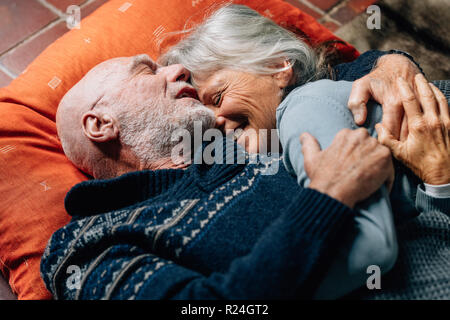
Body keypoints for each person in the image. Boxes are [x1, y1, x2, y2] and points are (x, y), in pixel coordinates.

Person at [41, 51, 448, 299]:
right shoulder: (82, 245)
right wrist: (327, 197)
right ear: (100, 124)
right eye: (146, 71)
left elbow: (331, 75)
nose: (178, 69)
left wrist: (390, 64)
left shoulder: (242, 143)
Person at [160, 5, 450, 298]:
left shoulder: (301, 110)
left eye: (218, 97)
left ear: (278, 67)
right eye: (206, 118)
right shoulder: (272, 144)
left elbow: (374, 248)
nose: (216, 123)